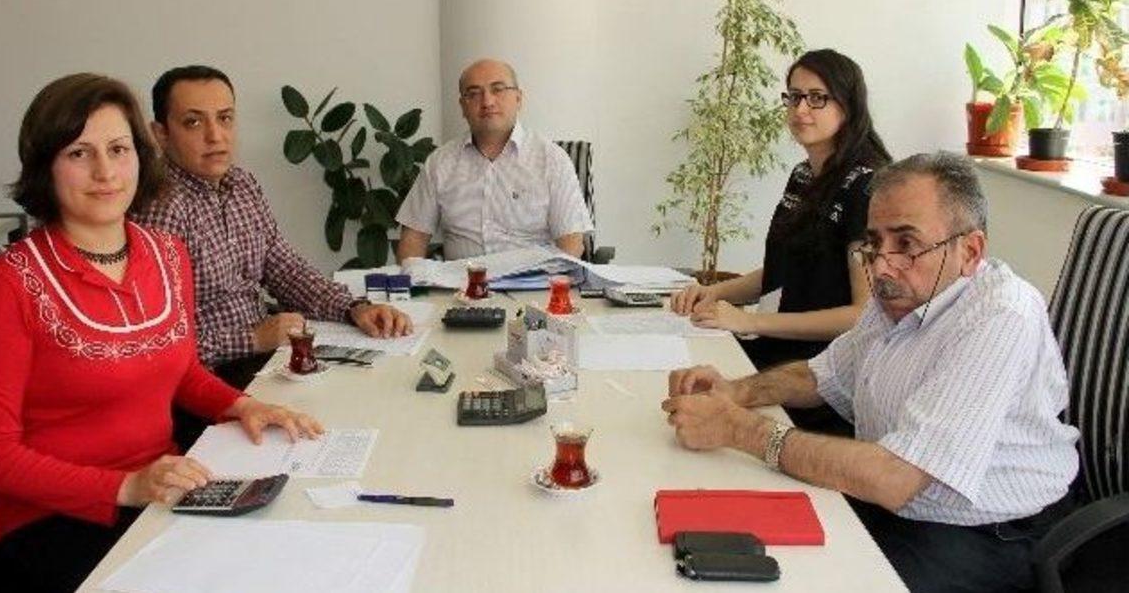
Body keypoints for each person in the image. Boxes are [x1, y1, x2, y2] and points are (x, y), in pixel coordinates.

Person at [0, 73, 324, 593]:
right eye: (79, 153)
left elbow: (181, 372)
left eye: (118, 149)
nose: (105, 172)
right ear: (45, 165)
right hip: (55, 520)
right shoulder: (6, 286)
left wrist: (244, 406)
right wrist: (126, 486)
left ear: (140, 155)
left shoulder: (167, 254)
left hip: (160, 489)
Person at [661, 152, 1079, 593]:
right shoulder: (901, 297)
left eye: (907, 244)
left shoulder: (1000, 315)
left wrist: (740, 430)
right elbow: (821, 376)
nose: (881, 265)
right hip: (897, 503)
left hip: (987, 531)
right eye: (875, 243)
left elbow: (895, 478)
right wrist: (736, 391)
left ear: (970, 251)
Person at [136, 65, 410, 386]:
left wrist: (355, 309)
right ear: (161, 134)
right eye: (193, 122)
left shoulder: (242, 184)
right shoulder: (159, 209)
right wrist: (252, 339)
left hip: (266, 355)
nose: (215, 136)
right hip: (210, 378)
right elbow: (158, 341)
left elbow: (285, 270)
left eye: (225, 118)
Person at [671, 49, 892, 373]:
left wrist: (749, 321)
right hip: (775, 346)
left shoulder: (868, 186)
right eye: (794, 96)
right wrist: (712, 292)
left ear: (848, 106)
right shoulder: (803, 175)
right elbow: (787, 267)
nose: (801, 109)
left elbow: (862, 314)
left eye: (817, 98)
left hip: (822, 369)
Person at [394, 58, 594, 262]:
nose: (487, 102)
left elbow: (571, 244)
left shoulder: (552, 160)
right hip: (460, 280)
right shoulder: (440, 163)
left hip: (534, 280)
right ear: (463, 106)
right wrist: (414, 278)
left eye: (498, 89)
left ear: (518, 98)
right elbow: (413, 240)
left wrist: (551, 281)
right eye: (474, 93)